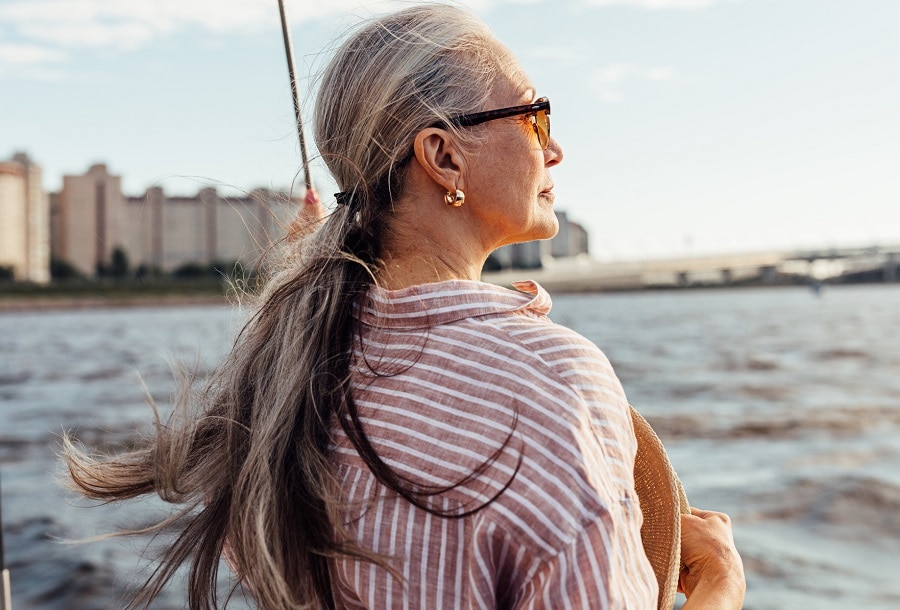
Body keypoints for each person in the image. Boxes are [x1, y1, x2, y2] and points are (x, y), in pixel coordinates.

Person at [64, 4, 745, 609]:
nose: (555, 148)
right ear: (444, 157)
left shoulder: (288, 384)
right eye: (535, 117)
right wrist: (721, 587)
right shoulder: (554, 378)